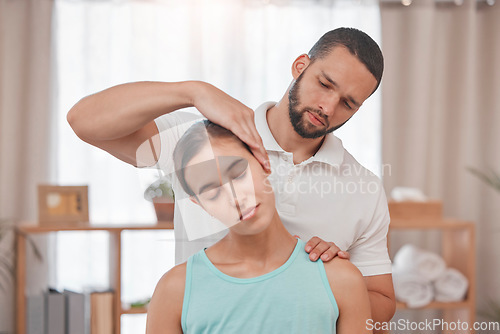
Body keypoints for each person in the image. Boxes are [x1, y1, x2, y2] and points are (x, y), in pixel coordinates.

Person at [67, 27, 396, 325]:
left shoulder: (364, 189)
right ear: (300, 66)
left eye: (348, 103)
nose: (327, 106)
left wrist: (334, 280)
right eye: (324, 84)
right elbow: (84, 121)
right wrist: (193, 91)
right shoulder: (206, 142)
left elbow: (381, 302)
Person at [146, 120, 372, 333]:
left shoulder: (341, 280)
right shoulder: (175, 291)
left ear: (263, 161)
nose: (235, 198)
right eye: (212, 192)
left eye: (238, 173)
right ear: (200, 204)